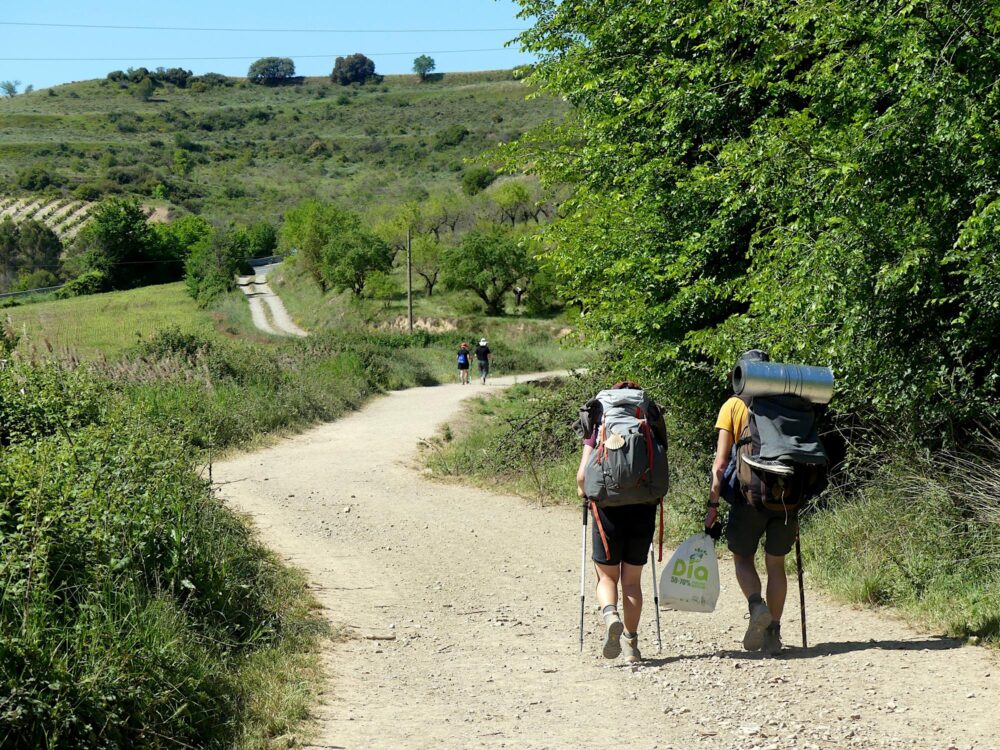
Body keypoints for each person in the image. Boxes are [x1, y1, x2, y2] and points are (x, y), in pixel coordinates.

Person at [704, 349, 791, 656]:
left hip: (748, 497)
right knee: (776, 565)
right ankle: (774, 635)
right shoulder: (789, 400)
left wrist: (713, 505)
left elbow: (720, 463)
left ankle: (756, 606)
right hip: (786, 498)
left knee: (742, 558)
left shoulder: (733, 405)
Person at [576, 381, 666, 662]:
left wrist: (584, 492)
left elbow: (583, 476)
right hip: (642, 507)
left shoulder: (601, 420)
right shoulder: (648, 420)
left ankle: (610, 614)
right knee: (632, 582)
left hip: (607, 508)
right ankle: (631, 644)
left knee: (606, 576)